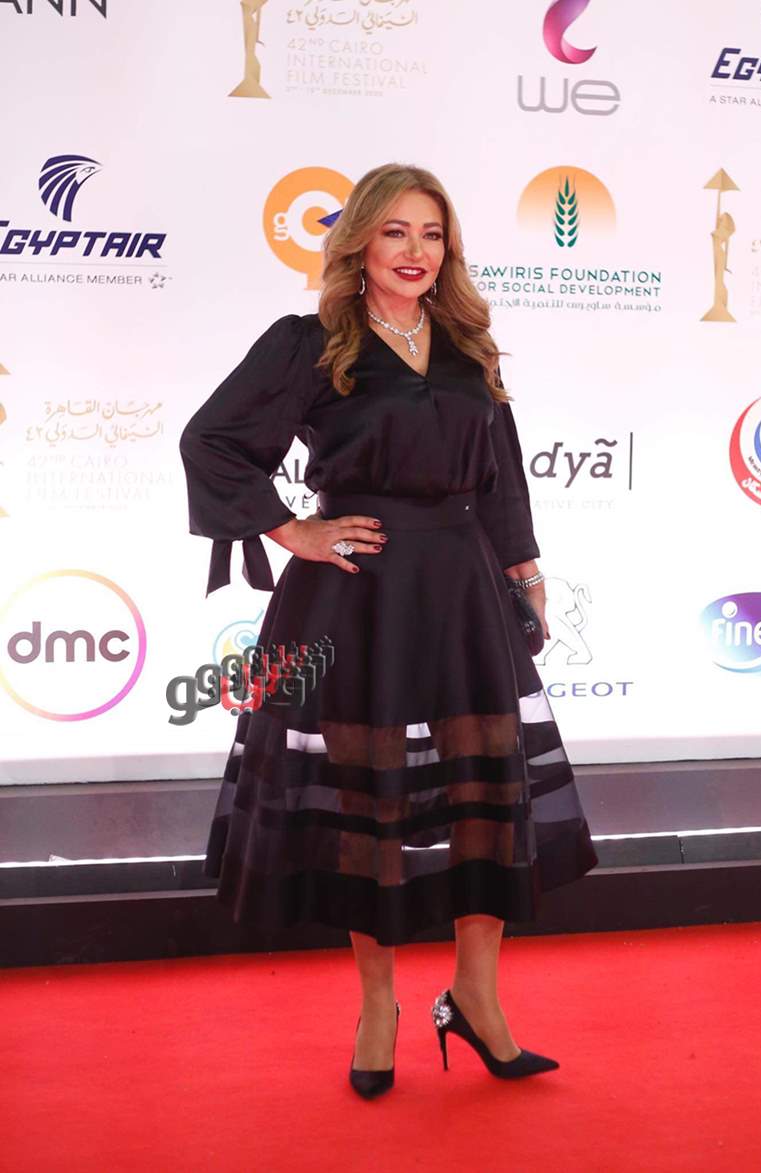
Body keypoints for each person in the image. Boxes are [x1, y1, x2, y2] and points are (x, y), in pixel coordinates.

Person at [179, 162, 599, 1100]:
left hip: (464, 591)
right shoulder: (311, 343)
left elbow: (502, 474)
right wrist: (293, 528)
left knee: (480, 796)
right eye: (396, 231)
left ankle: (477, 997)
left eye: (432, 234)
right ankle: (379, 1006)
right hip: (357, 595)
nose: (416, 251)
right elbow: (211, 440)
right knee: (370, 807)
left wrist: (526, 576)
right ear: (360, 241)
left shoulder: (468, 343)